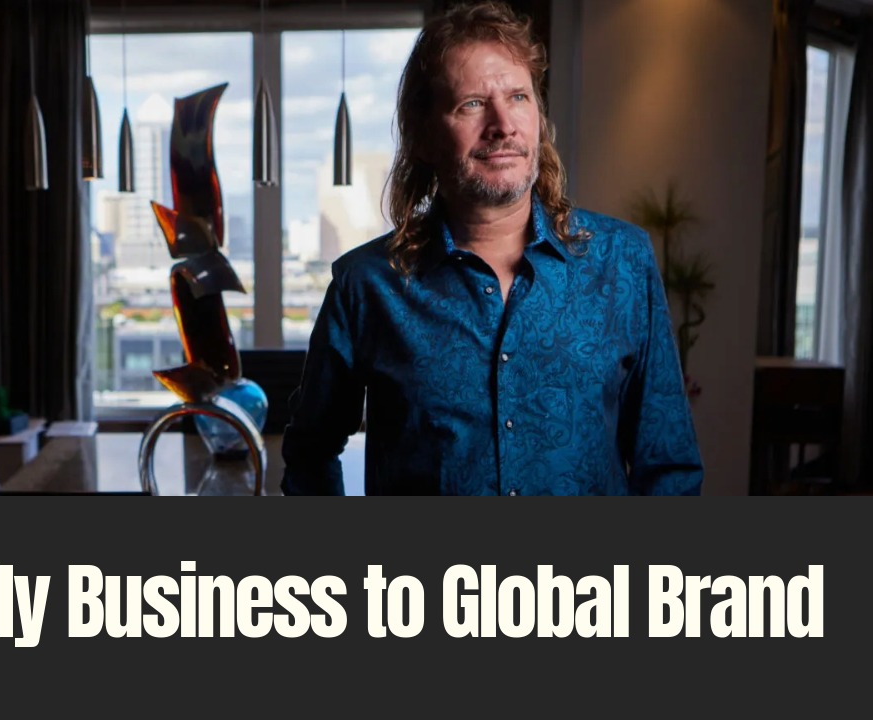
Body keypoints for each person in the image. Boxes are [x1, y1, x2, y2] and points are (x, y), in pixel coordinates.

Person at [280, 1, 703, 495]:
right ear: (424, 136)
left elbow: (668, 464)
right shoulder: (367, 285)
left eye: (519, 97)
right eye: (473, 104)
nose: (503, 125)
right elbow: (310, 454)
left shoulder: (622, 262)